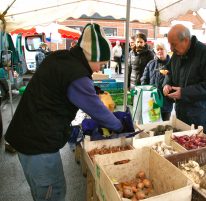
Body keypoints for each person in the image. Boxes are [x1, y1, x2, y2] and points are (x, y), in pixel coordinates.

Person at [5, 23, 123, 201]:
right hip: (39, 144)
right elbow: (97, 110)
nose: (100, 68)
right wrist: (120, 125)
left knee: (46, 192)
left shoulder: (61, 58)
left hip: (28, 136)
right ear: (92, 56)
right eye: (101, 63)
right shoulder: (76, 74)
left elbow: (64, 86)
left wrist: (94, 90)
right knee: (54, 193)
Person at [163, 24, 206, 136]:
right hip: (182, 116)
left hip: (202, 119)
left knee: (199, 151)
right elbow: (168, 72)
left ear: (185, 40)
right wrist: (167, 84)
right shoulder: (176, 54)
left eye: (173, 44)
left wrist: (184, 93)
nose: (171, 49)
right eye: (170, 44)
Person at [141, 41, 173, 121]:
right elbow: (144, 79)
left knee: (165, 126)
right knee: (153, 123)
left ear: (166, 50)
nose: (159, 51)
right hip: (152, 101)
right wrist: (146, 91)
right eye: (157, 49)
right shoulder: (151, 64)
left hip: (166, 102)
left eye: (161, 49)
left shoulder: (172, 64)